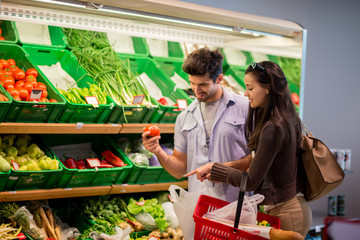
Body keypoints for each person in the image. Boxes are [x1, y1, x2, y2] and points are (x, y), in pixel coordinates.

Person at [186, 61, 312, 237]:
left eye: (250, 88)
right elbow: (258, 160)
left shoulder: (272, 127)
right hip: (284, 208)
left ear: (267, 88)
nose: (246, 94)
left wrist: (217, 170)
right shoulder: (284, 118)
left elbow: (251, 181)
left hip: (286, 212)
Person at [142, 47, 249, 202]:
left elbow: (256, 158)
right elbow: (179, 169)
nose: (196, 90)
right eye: (192, 83)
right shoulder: (184, 118)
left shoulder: (245, 108)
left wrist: (222, 170)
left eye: (203, 85)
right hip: (199, 205)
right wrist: (158, 151)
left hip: (237, 203)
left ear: (219, 79)